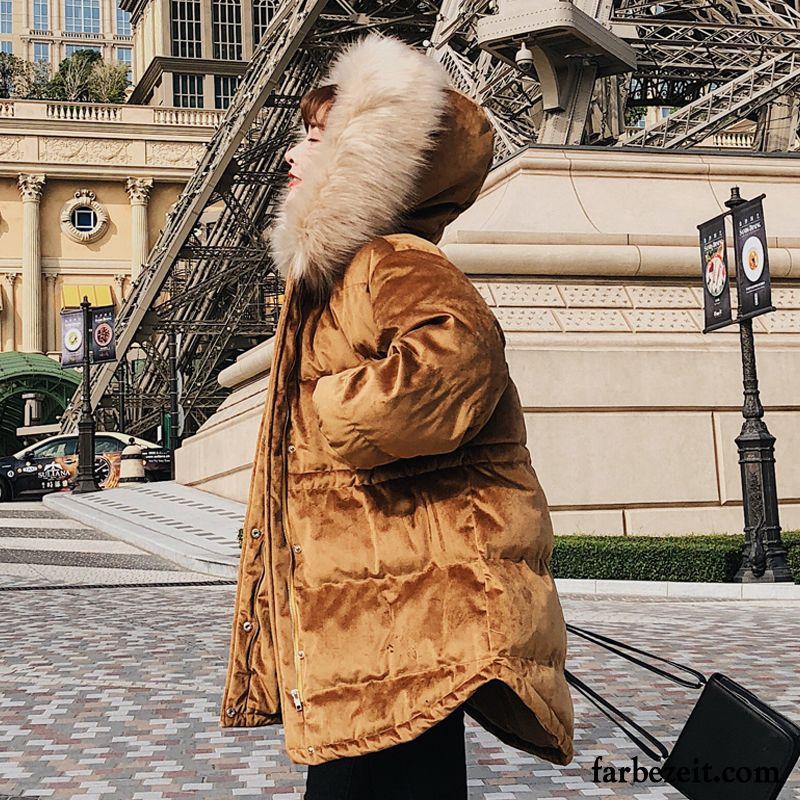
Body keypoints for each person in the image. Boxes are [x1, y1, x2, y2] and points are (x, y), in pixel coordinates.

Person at [219, 33, 575, 799]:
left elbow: (461, 355)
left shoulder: (388, 258)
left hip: (399, 614)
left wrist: (331, 412)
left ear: (360, 158)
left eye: (315, 136)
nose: (293, 152)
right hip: (380, 615)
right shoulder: (342, 270)